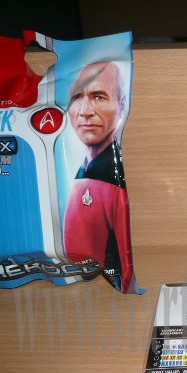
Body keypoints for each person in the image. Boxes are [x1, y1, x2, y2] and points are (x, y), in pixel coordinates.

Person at [63, 62, 134, 292]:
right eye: (77, 97)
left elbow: (125, 272)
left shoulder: (114, 183)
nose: (84, 110)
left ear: (121, 105)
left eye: (99, 96)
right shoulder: (83, 171)